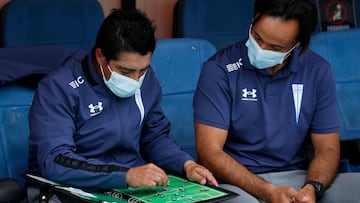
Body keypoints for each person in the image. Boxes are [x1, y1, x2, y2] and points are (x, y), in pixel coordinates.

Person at [27, 8, 217, 202]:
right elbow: (55, 161)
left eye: (142, 70)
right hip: (74, 190)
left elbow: (154, 139)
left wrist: (186, 164)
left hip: (132, 189)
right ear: (100, 56)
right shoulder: (59, 88)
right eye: (126, 71)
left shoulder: (147, 80)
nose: (136, 80)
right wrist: (125, 175)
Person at [193, 0, 360, 202]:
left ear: (298, 45)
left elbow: (328, 148)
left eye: (275, 47)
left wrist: (312, 188)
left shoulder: (317, 70)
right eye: (257, 37)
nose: (261, 49)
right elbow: (209, 153)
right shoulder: (219, 69)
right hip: (238, 183)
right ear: (254, 20)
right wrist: (268, 192)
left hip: (298, 178)